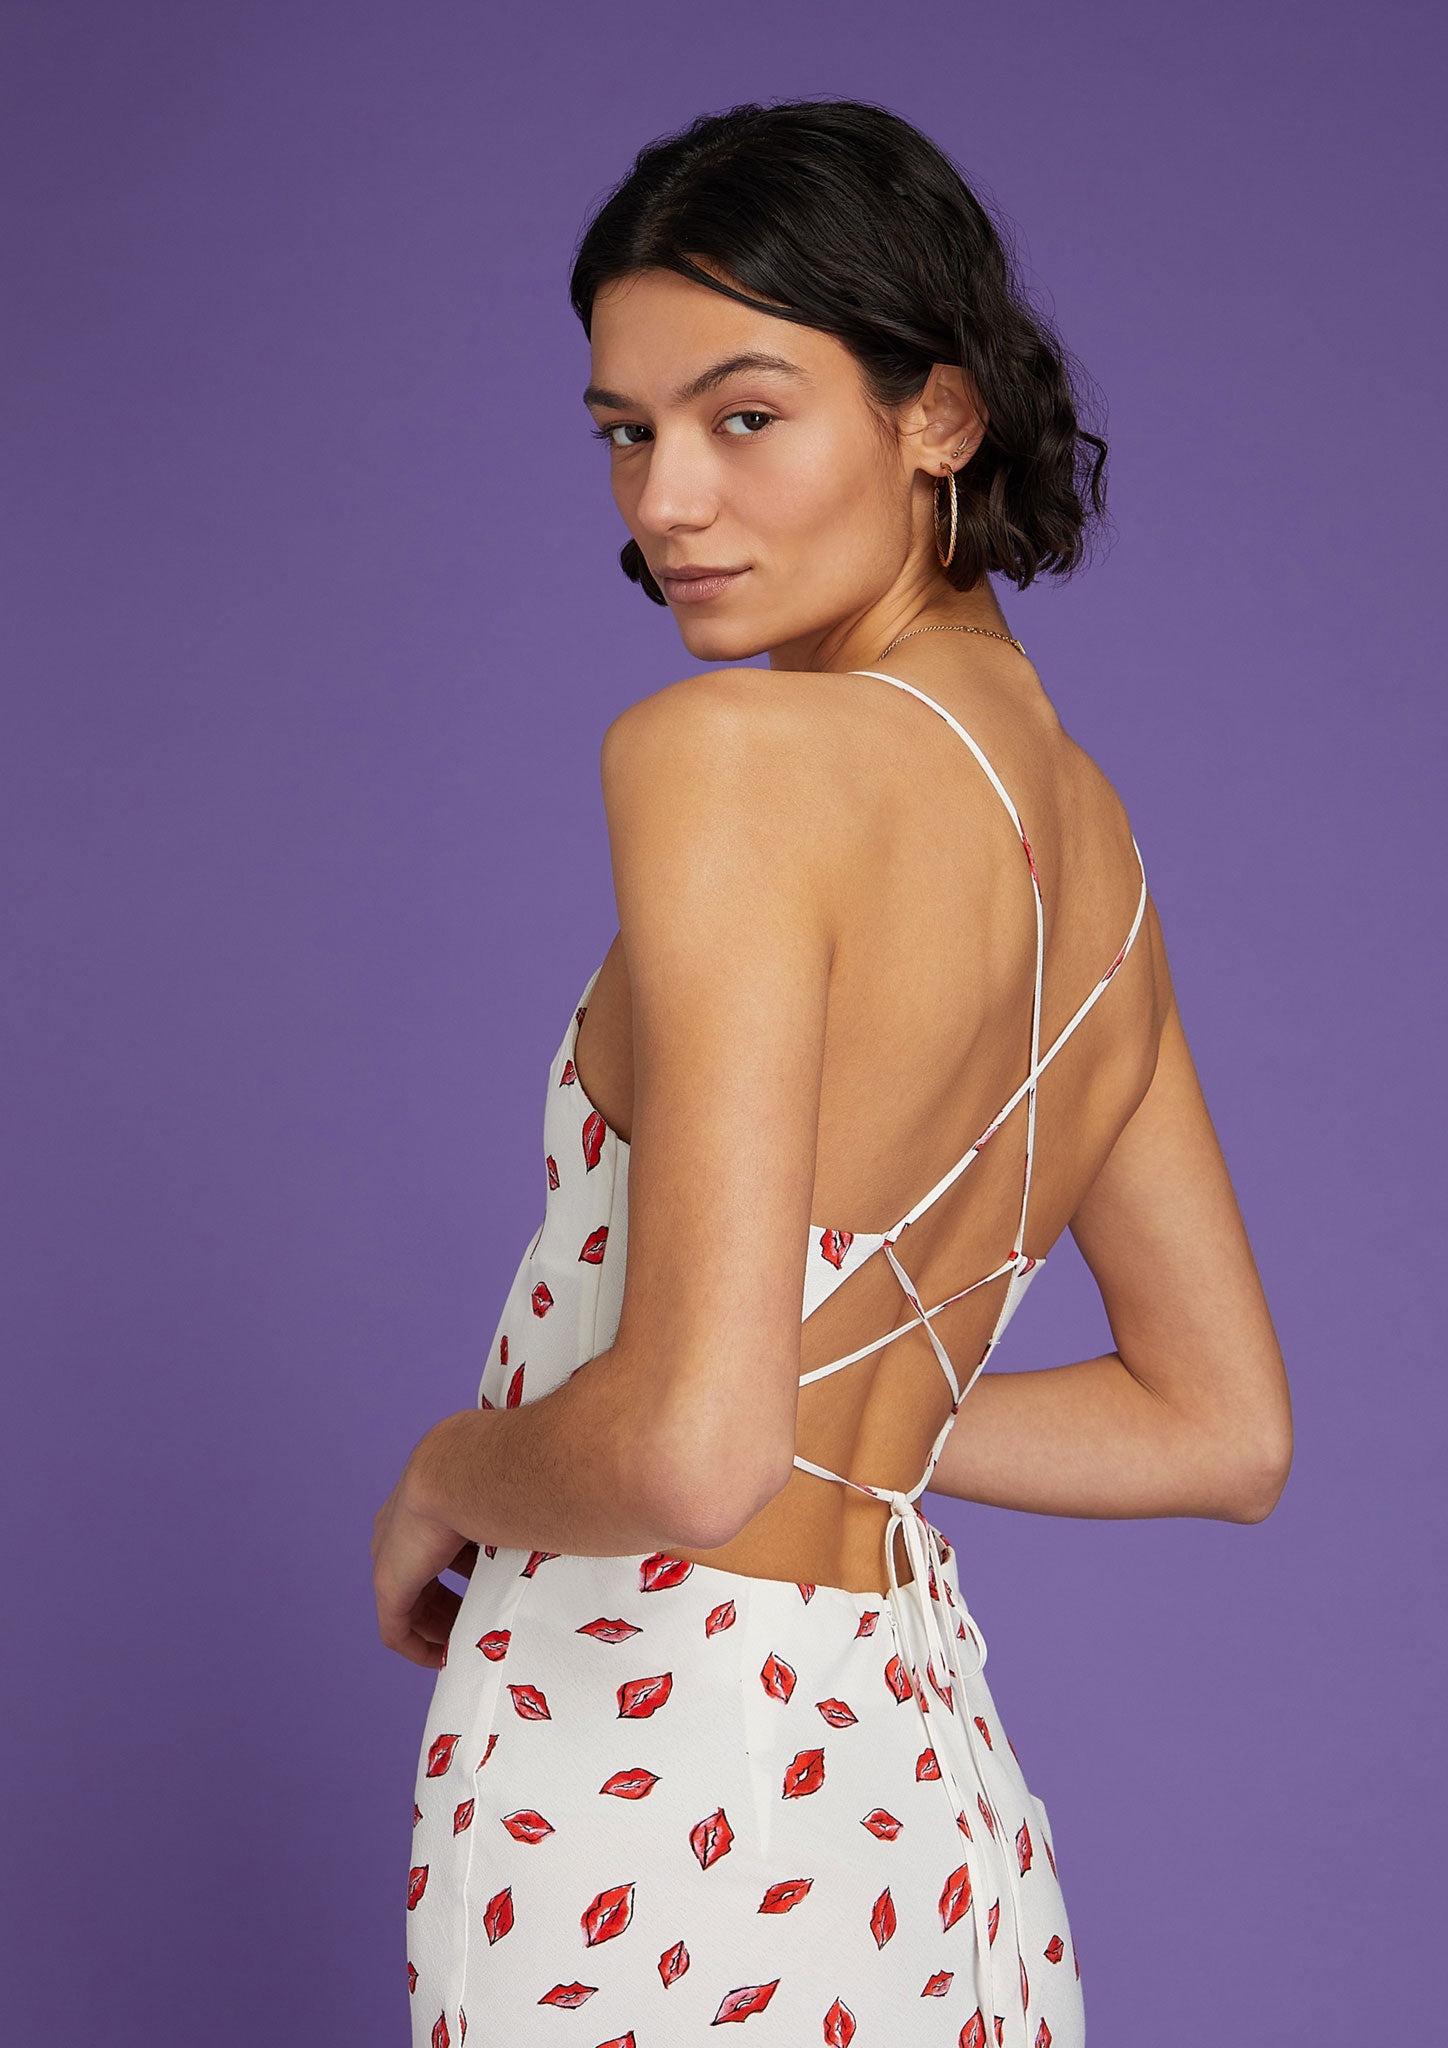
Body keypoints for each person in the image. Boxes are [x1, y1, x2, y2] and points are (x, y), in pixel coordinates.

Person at [372, 97, 1292, 2048]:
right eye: (627, 432)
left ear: (938, 412)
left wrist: (450, 1467)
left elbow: (693, 1457)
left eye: (743, 416)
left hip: (650, 1782)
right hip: (912, 1788)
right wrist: (848, 1417)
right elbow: (1220, 1426)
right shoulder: (1098, 855)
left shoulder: (726, 761)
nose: (667, 500)